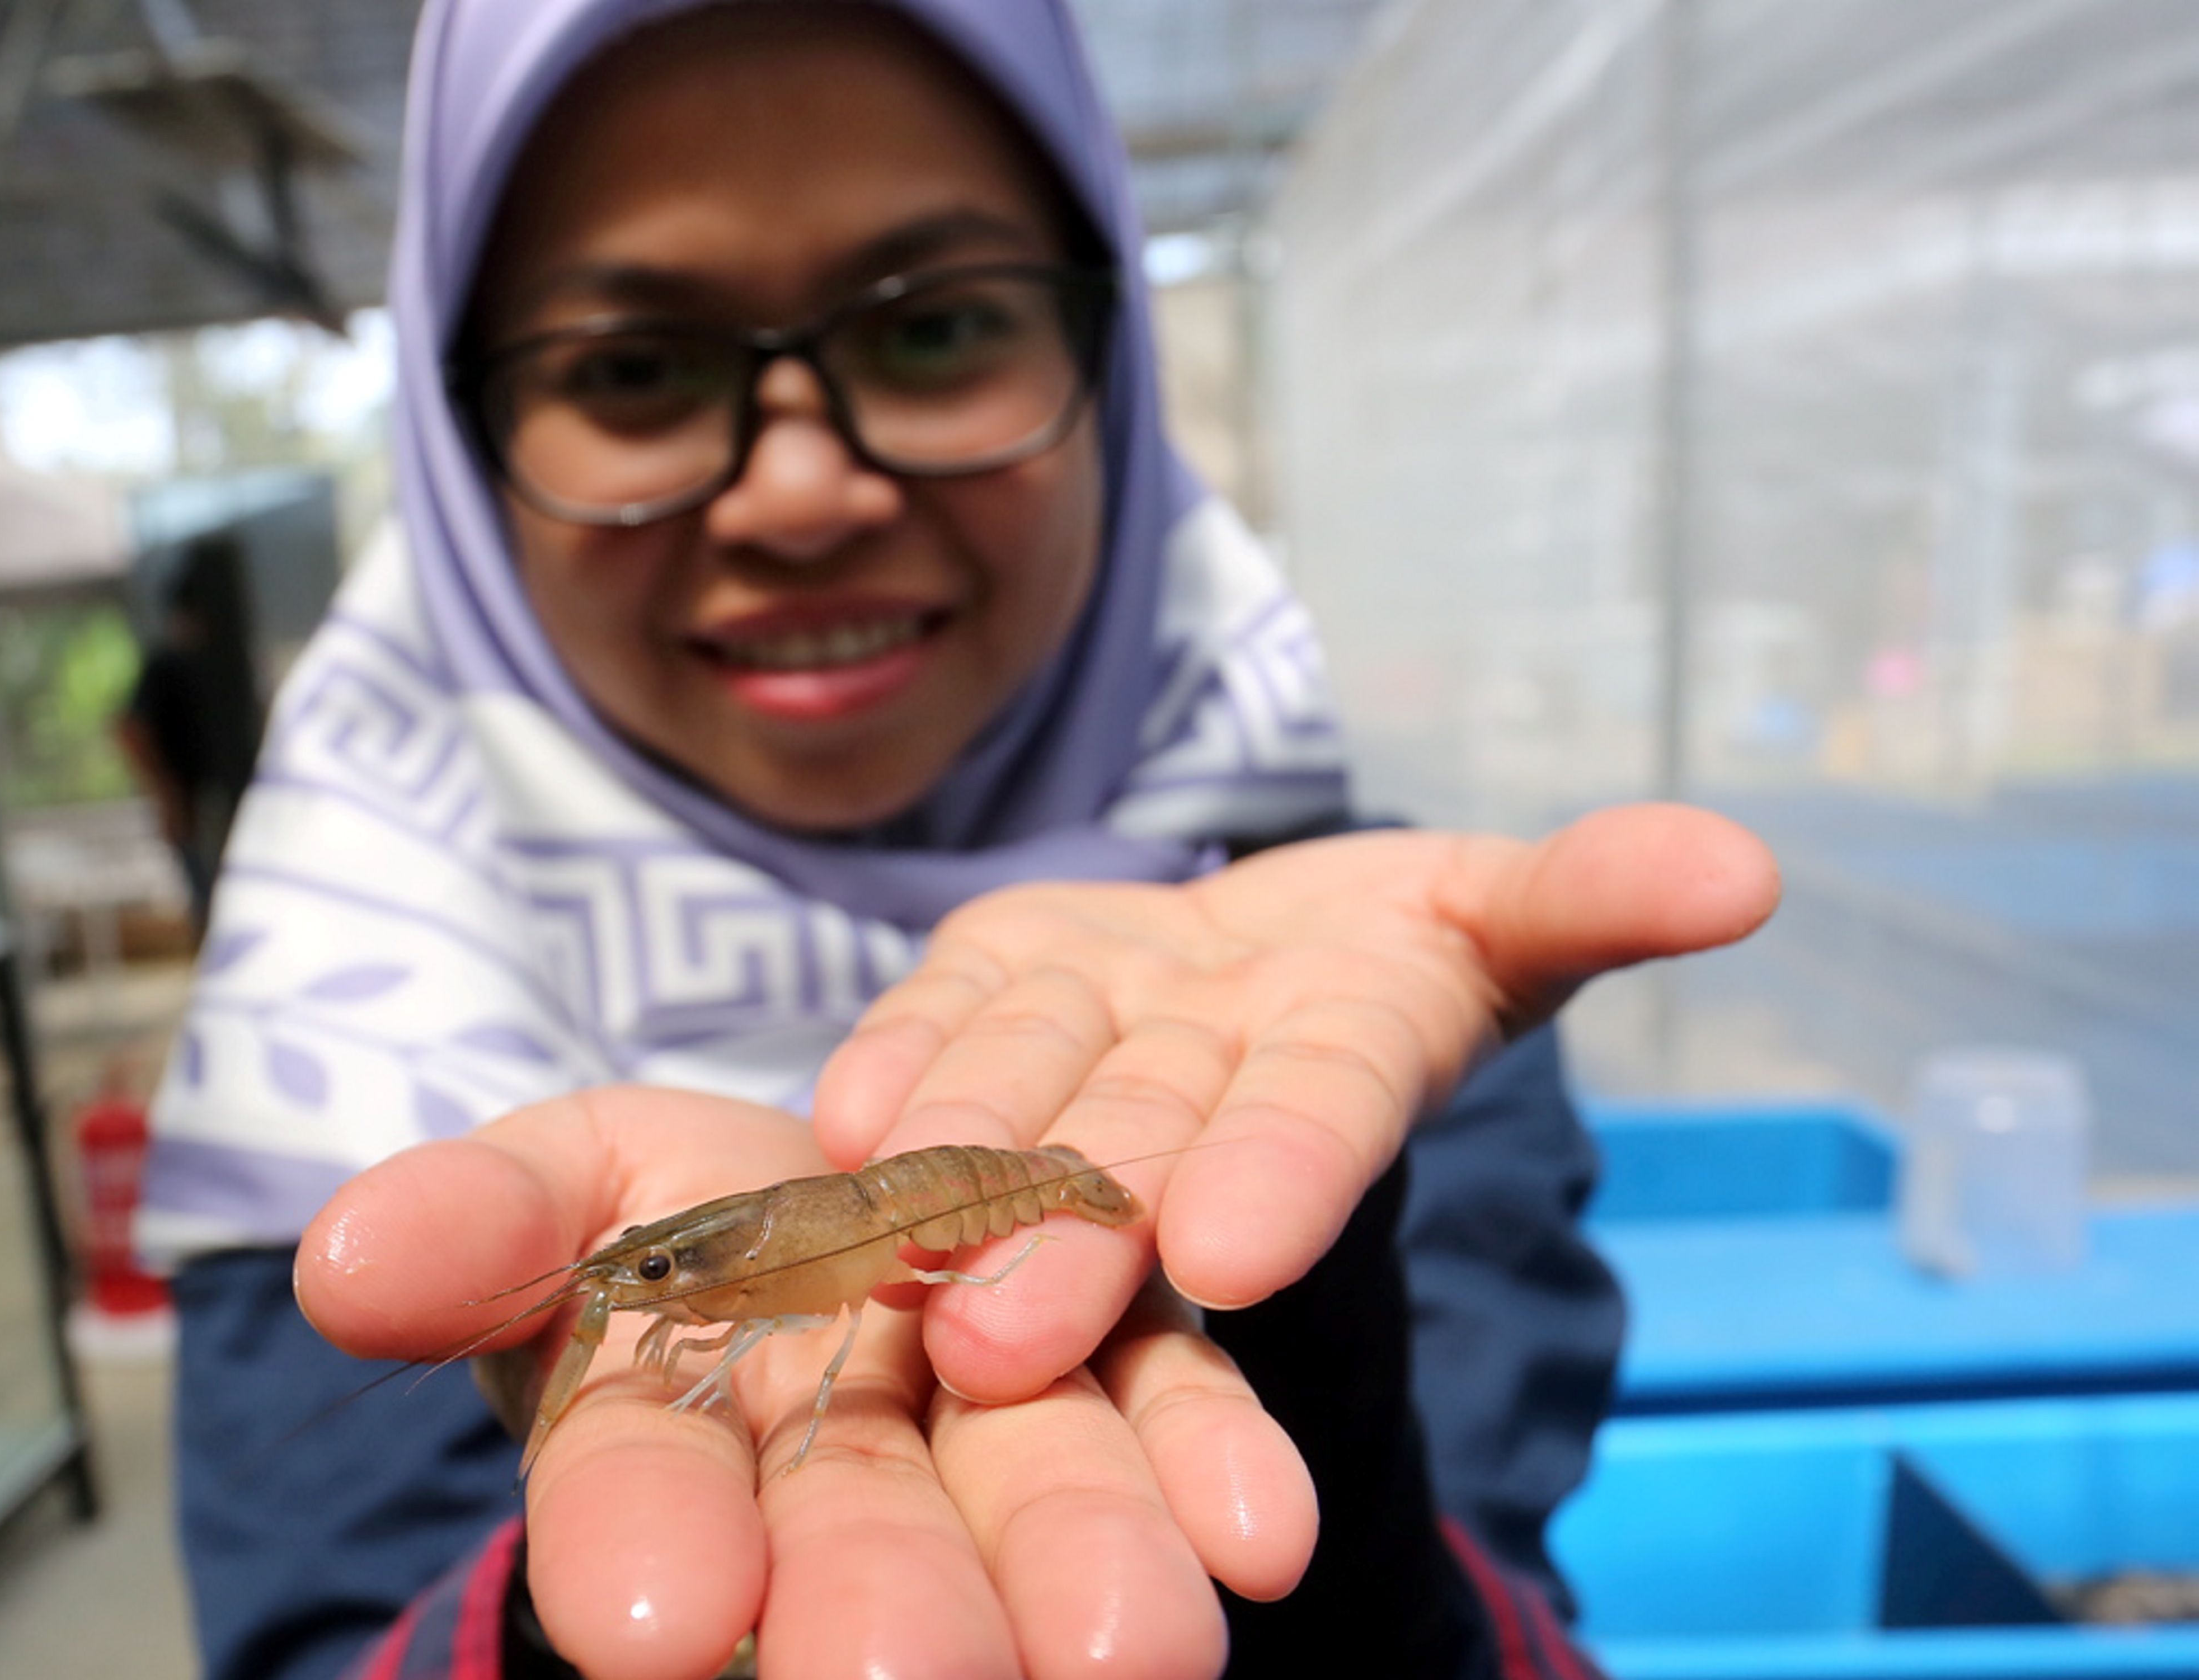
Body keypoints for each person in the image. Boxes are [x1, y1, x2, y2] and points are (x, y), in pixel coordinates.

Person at [138, 2, 1780, 1677]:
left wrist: (1309, 1337)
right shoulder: (328, 1052)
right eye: (633, 368)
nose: (798, 493)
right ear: (452, 435)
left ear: (1110, 359)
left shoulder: (1358, 988)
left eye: (934, 329)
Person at [115, 530, 265, 930]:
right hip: (195, 808)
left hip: (220, 801)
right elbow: (129, 729)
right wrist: (169, 796)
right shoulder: (166, 665)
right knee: (216, 915)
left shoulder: (221, 669)